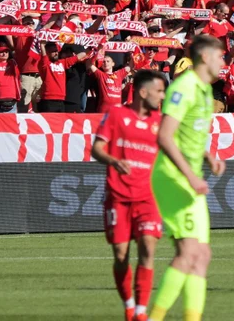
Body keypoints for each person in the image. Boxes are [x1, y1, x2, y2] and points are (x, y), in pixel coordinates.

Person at [148, 36, 227, 321]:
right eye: (220, 57)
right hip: (173, 177)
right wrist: (191, 176)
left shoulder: (206, 92)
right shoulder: (184, 87)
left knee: (202, 255)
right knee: (189, 252)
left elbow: (188, 135)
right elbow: (165, 136)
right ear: (205, 57)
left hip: (190, 177)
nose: (224, 63)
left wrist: (208, 157)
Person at [92, 71, 166, 321]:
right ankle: (129, 306)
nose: (162, 96)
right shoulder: (116, 115)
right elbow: (97, 149)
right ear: (143, 92)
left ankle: (142, 313)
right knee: (121, 256)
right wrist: (114, 160)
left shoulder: (161, 122)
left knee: (147, 248)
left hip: (148, 196)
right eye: (159, 91)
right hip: (118, 196)